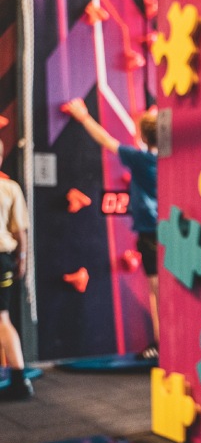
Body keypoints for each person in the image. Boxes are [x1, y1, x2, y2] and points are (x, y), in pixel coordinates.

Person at [63, 99, 159, 360]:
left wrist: (83, 117)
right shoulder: (165, 160)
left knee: (156, 289)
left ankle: (161, 344)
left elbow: (106, 140)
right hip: (167, 228)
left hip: (151, 231)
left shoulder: (142, 159)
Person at [0, 140, 33, 401]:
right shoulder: (10, 188)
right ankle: (19, 380)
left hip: (3, 259)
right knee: (2, 319)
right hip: (4, 260)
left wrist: (21, 259)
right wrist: (21, 259)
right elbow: (19, 232)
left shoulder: (10, 188)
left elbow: (20, 231)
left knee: (2, 320)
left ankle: (20, 381)